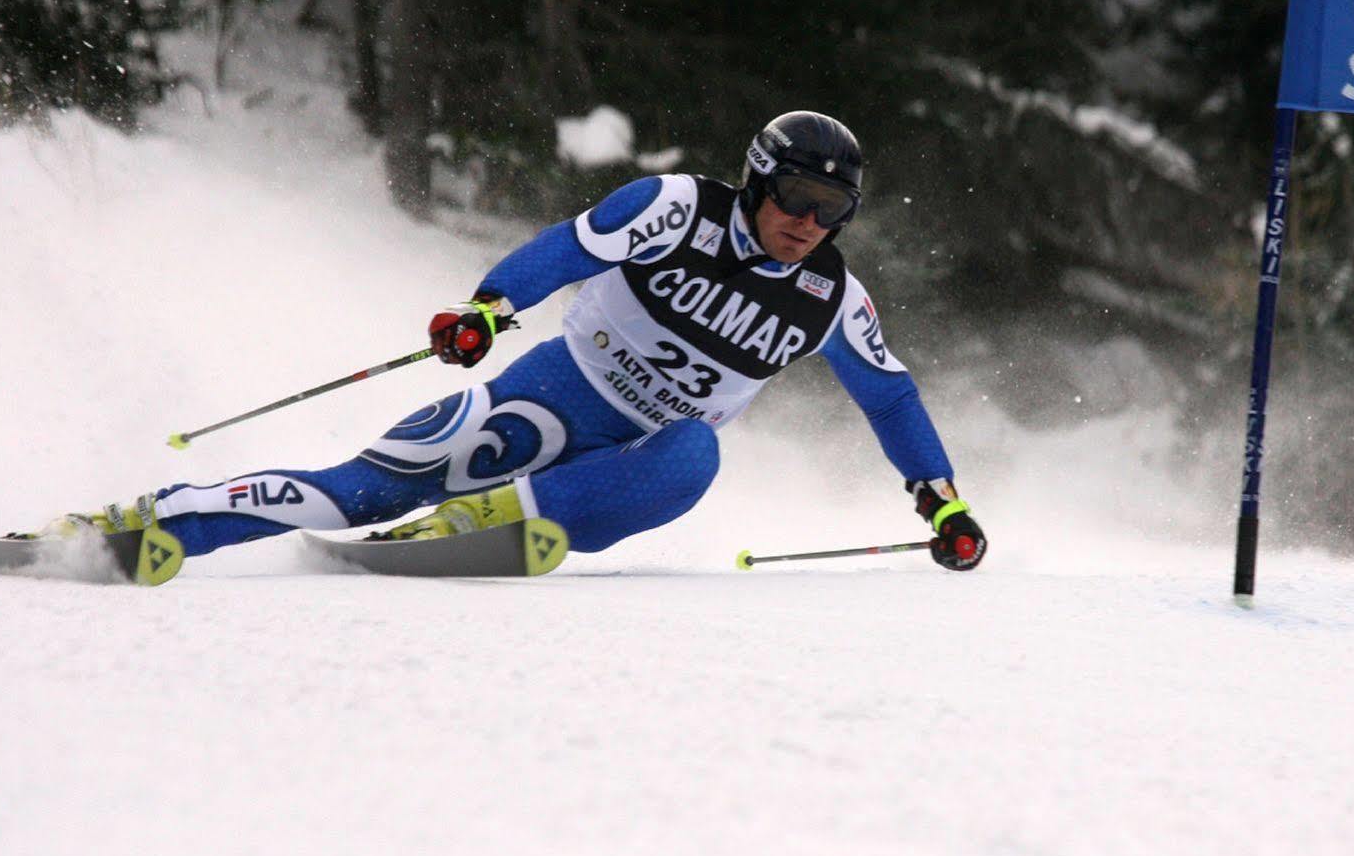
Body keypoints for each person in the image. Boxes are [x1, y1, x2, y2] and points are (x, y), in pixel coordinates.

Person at [52, 111, 986, 571]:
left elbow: (890, 396)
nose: (810, 223)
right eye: (796, 198)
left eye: (834, 211)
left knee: (695, 454)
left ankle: (499, 521)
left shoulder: (830, 297)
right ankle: (140, 526)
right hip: (545, 393)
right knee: (356, 490)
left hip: (632, 460)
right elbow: (570, 249)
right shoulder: (675, 206)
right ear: (755, 183)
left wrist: (940, 502)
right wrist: (489, 309)